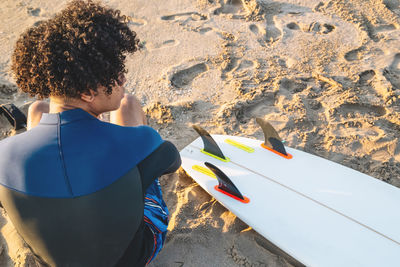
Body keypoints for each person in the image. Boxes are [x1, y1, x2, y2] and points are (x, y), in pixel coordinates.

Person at [0, 1, 181, 266]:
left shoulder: (3, 154)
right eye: (116, 75)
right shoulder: (141, 141)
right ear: (86, 92)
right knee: (129, 105)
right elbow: (171, 161)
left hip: (50, 255)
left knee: (39, 109)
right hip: (131, 254)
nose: (123, 80)